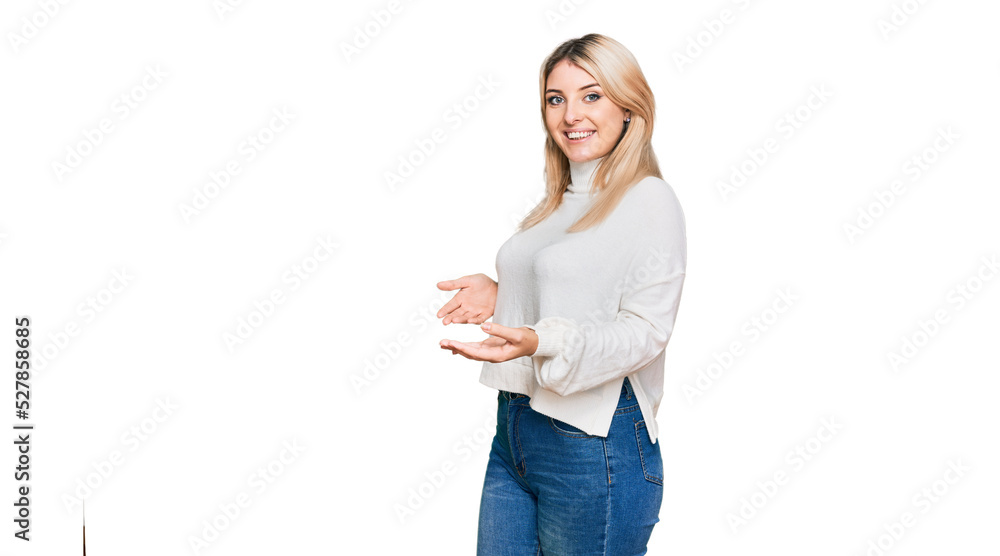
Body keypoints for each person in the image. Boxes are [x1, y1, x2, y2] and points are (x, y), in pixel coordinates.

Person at [438, 33, 687, 555]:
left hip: (593, 444)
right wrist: (504, 291)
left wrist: (537, 340)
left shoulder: (649, 199)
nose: (571, 114)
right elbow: (578, 293)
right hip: (516, 431)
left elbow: (646, 331)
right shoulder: (557, 202)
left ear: (629, 105)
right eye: (556, 98)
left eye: (591, 95)